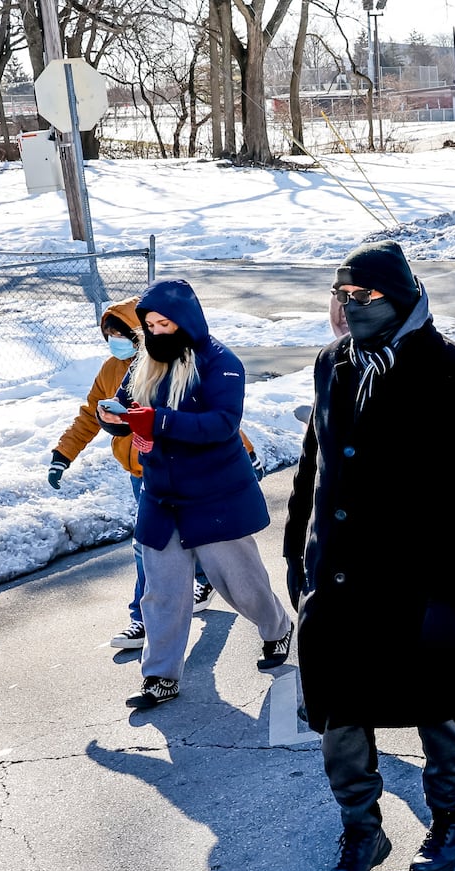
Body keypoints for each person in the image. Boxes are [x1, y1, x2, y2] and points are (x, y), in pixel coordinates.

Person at [281, 242, 455, 871]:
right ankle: (361, 828)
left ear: (401, 298)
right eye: (341, 296)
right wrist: (298, 558)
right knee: (339, 716)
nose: (349, 308)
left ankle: (449, 820)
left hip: (420, 586)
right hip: (339, 582)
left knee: (437, 707)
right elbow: (312, 467)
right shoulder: (331, 365)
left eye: (364, 296)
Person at [95, 280, 292, 709]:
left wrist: (158, 422)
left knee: (239, 584)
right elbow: (130, 407)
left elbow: (222, 423)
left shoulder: (221, 362)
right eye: (149, 325)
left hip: (214, 494)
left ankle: (276, 626)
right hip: (161, 494)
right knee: (162, 590)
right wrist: (114, 418)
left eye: (165, 323)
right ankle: (160, 676)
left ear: (187, 321)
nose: (157, 332)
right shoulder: (145, 361)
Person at [48, 298, 236, 648]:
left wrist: (248, 452)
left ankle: (203, 581)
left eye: (119, 334)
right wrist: (63, 453)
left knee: (192, 537)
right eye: (107, 336)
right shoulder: (109, 370)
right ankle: (142, 619)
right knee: (148, 546)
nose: (113, 342)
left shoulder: (171, 363)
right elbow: (91, 414)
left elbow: (214, 418)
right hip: (142, 475)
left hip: (183, 469)